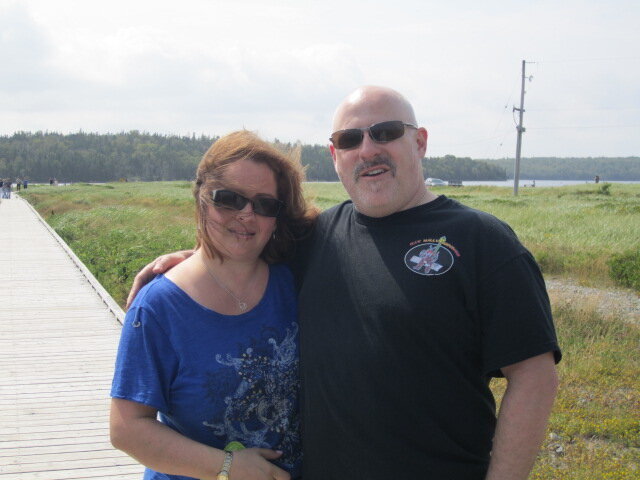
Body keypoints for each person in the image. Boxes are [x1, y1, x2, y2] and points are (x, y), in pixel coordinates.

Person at [128, 86, 561, 480]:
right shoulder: (315, 236)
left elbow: (534, 376)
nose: (367, 149)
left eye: (385, 132)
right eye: (350, 140)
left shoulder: (483, 240)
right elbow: (244, 238)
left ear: (420, 141)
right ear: (335, 156)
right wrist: (192, 259)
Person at [111, 130, 316, 480]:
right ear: (202, 198)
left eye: (265, 204)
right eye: (229, 199)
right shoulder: (158, 307)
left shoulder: (295, 281)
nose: (247, 215)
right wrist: (227, 467)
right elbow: (127, 428)